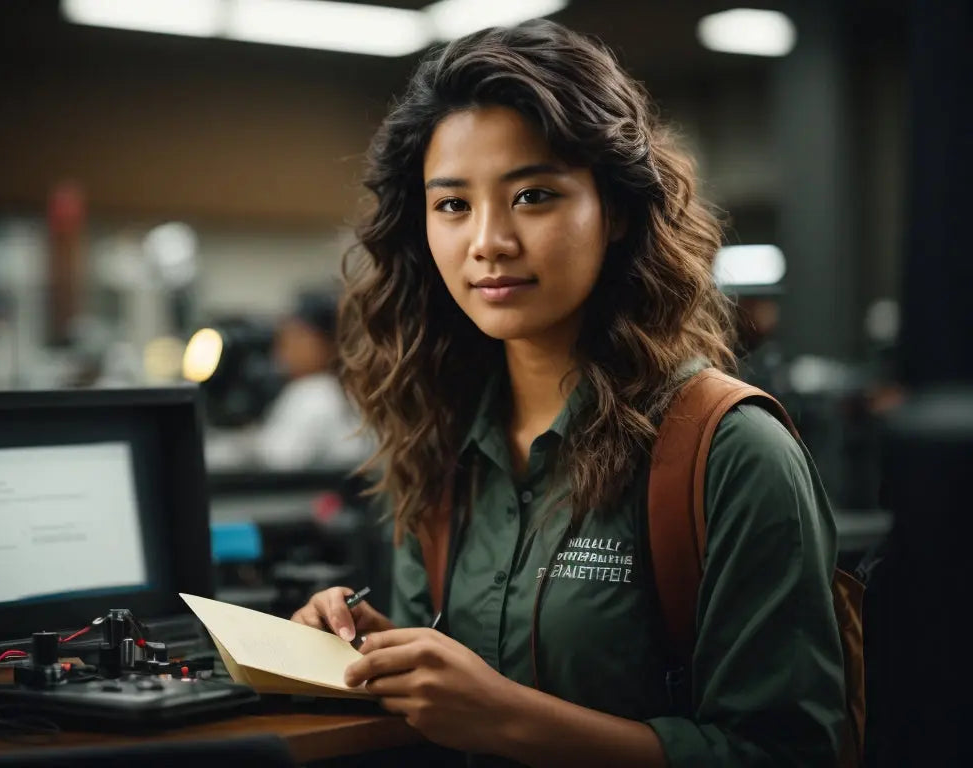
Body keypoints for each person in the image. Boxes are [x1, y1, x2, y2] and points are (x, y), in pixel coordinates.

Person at [291, 20, 846, 767]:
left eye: (533, 195)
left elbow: (789, 754)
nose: (487, 240)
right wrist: (372, 648)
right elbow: (448, 701)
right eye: (452, 205)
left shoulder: (732, 452)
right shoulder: (444, 440)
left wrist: (505, 716)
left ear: (614, 210)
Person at [254, 288, 372, 470]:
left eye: (296, 337)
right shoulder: (354, 389)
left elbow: (279, 464)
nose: (284, 349)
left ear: (329, 341)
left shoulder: (312, 394)